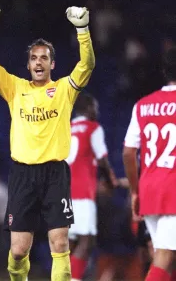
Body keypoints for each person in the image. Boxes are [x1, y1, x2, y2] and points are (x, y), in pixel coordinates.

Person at [0, 4, 95, 281]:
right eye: (34, 58)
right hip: (23, 175)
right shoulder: (15, 88)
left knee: (61, 243)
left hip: (55, 173)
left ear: (52, 64)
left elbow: (87, 64)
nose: (39, 62)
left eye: (44, 58)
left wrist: (83, 31)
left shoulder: (65, 89)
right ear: (28, 64)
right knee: (18, 251)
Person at [123, 46, 176, 281]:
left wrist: (135, 192)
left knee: (164, 260)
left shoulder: (143, 105)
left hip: (150, 190)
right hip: (172, 190)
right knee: (165, 257)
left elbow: (128, 152)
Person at [65, 92, 117, 281]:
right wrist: (110, 181)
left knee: (69, 241)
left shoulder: (66, 128)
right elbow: (102, 160)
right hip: (82, 192)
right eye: (95, 107)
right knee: (87, 240)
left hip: (63, 192)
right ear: (87, 108)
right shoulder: (93, 128)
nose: (97, 111)